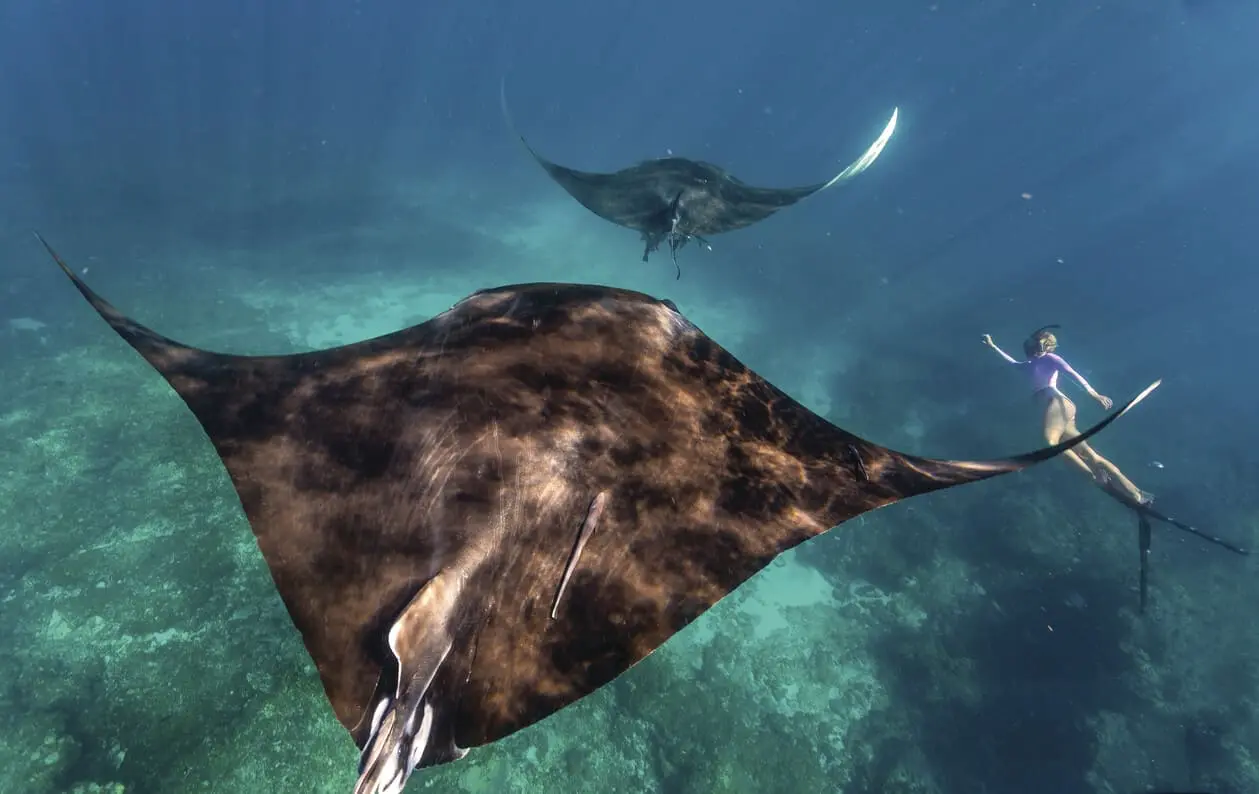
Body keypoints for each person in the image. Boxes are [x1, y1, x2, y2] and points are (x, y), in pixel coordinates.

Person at [982, 325, 1152, 505]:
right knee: (1090, 455)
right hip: (1060, 411)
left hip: (1057, 404)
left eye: (1041, 346)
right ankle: (1136, 493)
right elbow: (1013, 363)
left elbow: (1073, 374)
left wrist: (1094, 394)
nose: (1036, 349)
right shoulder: (1030, 365)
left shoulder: (1050, 358)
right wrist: (993, 347)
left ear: (1045, 347)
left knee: (1049, 443)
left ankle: (1092, 477)